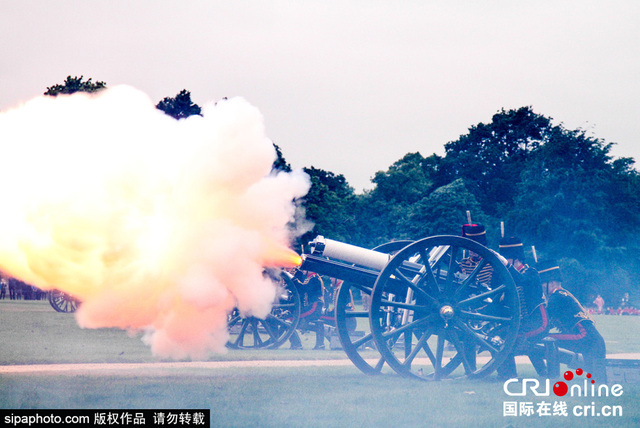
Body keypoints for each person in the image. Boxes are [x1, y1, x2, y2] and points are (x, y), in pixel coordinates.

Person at [538, 259, 607, 383]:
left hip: (584, 337)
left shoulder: (556, 297)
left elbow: (544, 323)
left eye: (543, 284)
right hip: (593, 341)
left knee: (547, 339)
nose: (542, 288)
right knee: (597, 380)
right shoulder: (563, 294)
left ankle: (552, 376)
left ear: (552, 282)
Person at [496, 236, 548, 380]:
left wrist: (506, 265)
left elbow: (521, 280)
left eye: (508, 260)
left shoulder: (530, 272)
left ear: (515, 259)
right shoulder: (510, 277)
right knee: (500, 337)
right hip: (523, 323)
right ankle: (507, 373)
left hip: (538, 321)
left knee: (510, 340)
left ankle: (510, 375)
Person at [289, 270, 326, 350]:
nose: (302, 271)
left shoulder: (314, 279)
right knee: (294, 319)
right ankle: (320, 344)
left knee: (290, 320)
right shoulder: (310, 278)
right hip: (312, 306)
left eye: (304, 269)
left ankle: (297, 344)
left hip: (314, 307)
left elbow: (303, 289)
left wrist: (293, 279)